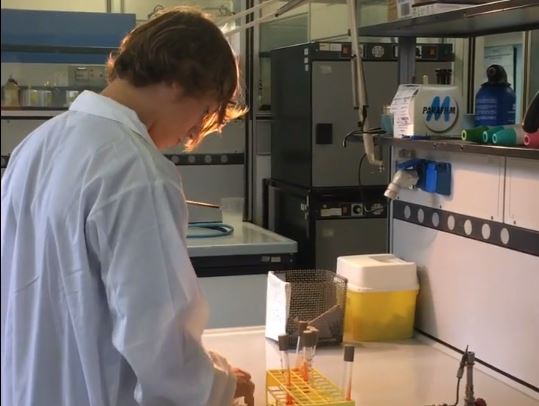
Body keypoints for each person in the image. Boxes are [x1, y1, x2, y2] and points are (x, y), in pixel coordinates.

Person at [1, 6, 255, 406]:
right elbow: (158, 339)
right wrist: (220, 385)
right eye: (204, 112)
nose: (194, 133)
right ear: (177, 79)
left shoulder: (36, 146)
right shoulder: (136, 168)